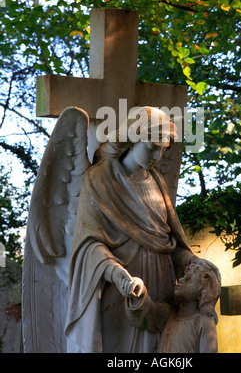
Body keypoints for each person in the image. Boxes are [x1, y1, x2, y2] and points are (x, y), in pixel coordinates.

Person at [65, 106, 220, 353]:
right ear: (134, 137)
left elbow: (170, 244)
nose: (157, 156)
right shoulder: (99, 179)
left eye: (162, 149)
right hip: (122, 289)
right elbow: (88, 244)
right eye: (151, 147)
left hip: (162, 288)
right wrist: (116, 274)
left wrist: (190, 260)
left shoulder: (157, 181)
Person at [125, 261, 221, 353]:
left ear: (202, 293)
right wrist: (140, 292)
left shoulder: (205, 323)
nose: (181, 280)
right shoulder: (169, 314)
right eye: (183, 277)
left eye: (188, 279)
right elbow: (148, 312)